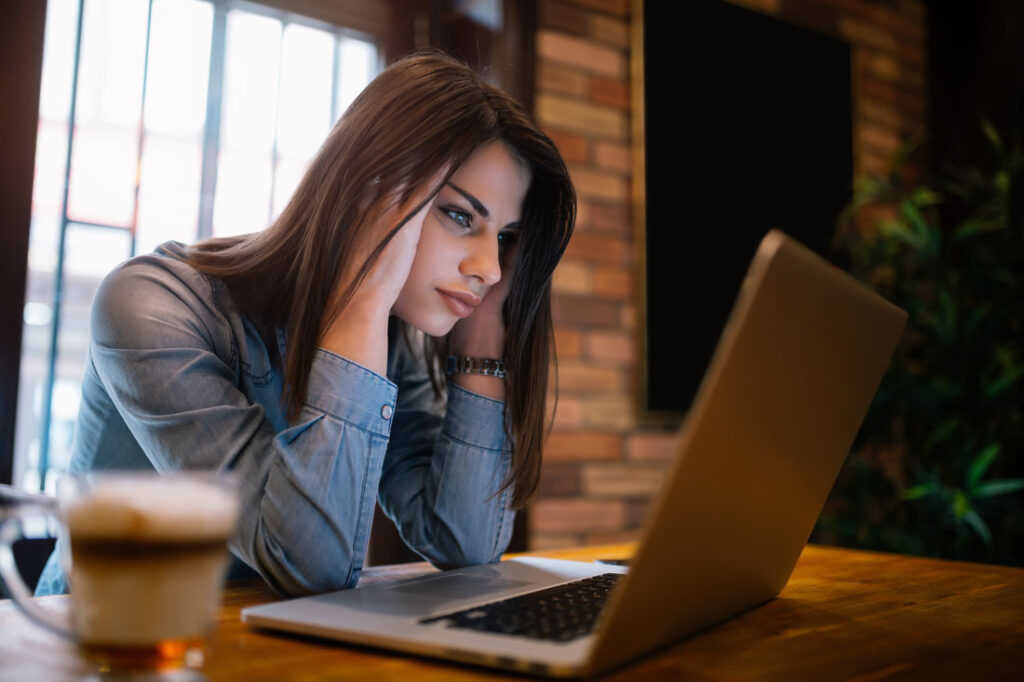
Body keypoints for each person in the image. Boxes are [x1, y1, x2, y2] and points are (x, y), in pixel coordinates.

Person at [35, 52, 576, 597]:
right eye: (461, 216)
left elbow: (467, 544)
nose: (489, 268)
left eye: (506, 238)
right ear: (368, 192)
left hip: (257, 649)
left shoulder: (393, 342)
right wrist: (360, 304)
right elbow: (307, 566)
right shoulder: (152, 305)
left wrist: (483, 333)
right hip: (93, 649)